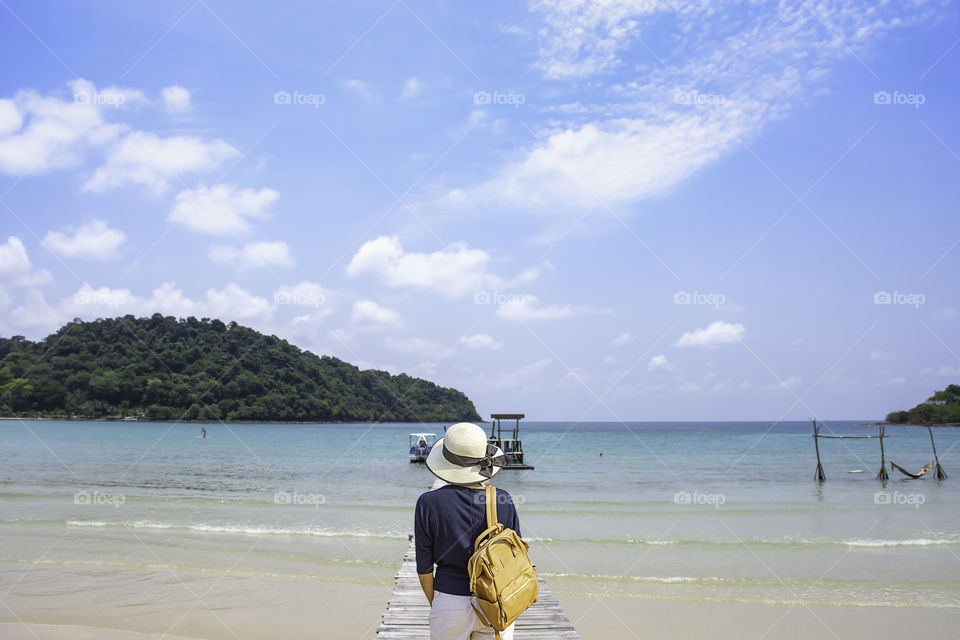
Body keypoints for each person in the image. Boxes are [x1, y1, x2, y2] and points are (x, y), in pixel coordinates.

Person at [415, 422, 520, 640]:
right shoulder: (503, 499)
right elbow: (515, 558)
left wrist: (439, 603)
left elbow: (424, 569)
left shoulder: (428, 503)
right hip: (494, 600)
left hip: (449, 599)